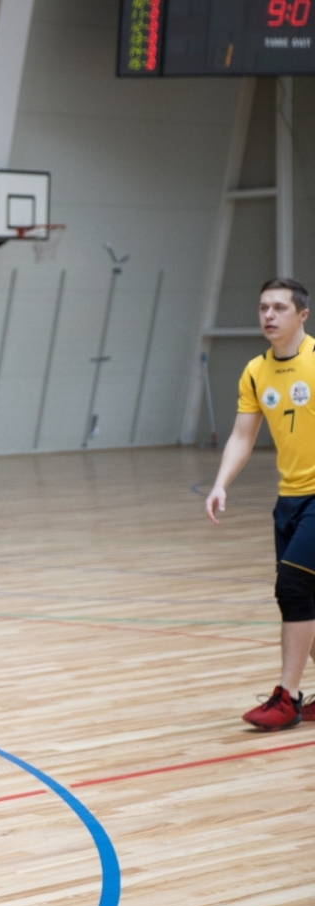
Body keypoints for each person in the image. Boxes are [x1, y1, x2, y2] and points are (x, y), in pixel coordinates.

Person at [206, 277, 315, 731]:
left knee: (292, 587)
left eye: (279, 308)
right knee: (304, 596)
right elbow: (242, 435)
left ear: (302, 315)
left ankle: (287, 697)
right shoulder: (255, 371)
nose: (269, 315)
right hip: (289, 499)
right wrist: (220, 483)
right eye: (263, 307)